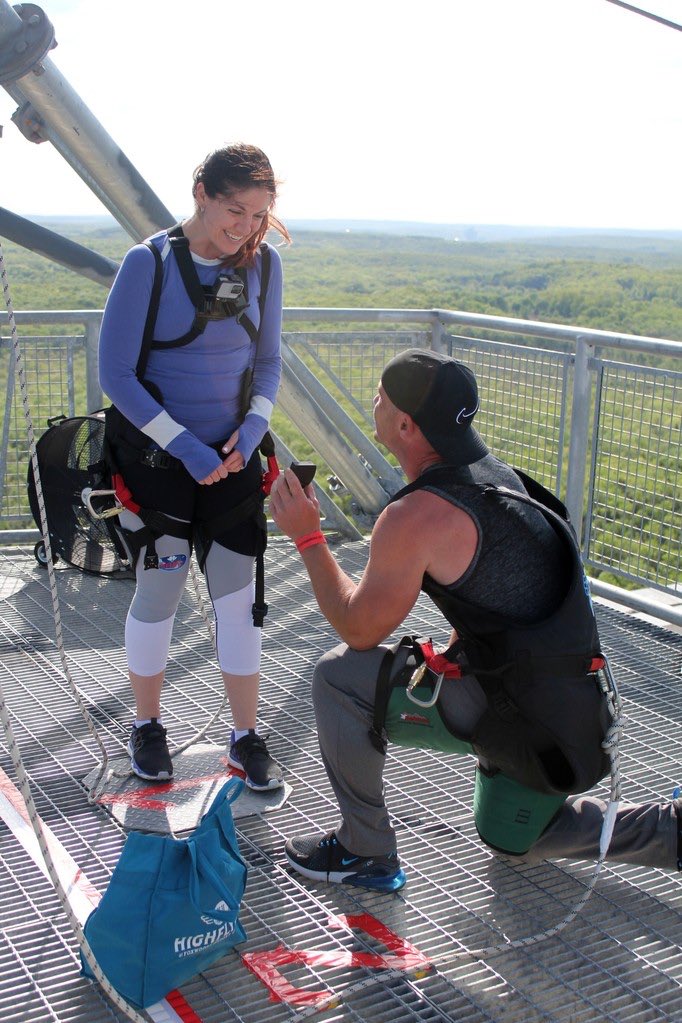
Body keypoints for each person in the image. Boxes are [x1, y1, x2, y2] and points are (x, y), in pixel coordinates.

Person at [269, 348, 681, 891]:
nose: (374, 402)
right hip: (576, 710)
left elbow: (358, 628)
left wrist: (307, 535)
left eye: (381, 397)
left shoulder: (416, 515)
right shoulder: (500, 475)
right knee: (512, 837)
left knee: (339, 678)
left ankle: (363, 851)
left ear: (404, 424)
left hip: (529, 718)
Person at [99, 143, 291, 790]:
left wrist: (254, 427)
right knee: (163, 587)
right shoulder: (146, 264)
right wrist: (186, 446)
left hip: (232, 455)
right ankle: (148, 726)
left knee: (238, 600)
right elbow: (118, 375)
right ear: (201, 191)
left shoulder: (262, 267)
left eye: (259, 215)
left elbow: (266, 361)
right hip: (158, 457)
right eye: (234, 209)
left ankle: (244, 735)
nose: (244, 226)